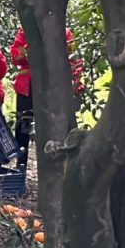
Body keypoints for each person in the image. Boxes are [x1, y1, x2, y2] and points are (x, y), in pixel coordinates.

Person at [10, 27, 83, 167]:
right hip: (28, 84)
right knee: (23, 123)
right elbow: (15, 56)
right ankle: (21, 164)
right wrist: (29, 50)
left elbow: (73, 60)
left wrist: (77, 82)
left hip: (53, 83)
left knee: (55, 123)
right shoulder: (25, 32)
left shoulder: (64, 32)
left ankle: (57, 163)